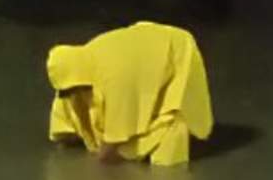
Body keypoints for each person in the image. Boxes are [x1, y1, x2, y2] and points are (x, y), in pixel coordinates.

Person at [47, 21, 213, 167]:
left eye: (74, 89)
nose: (71, 94)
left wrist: (101, 162)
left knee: (168, 133)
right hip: (140, 54)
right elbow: (64, 105)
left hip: (173, 50)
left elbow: (114, 140)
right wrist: (64, 135)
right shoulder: (75, 65)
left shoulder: (114, 79)